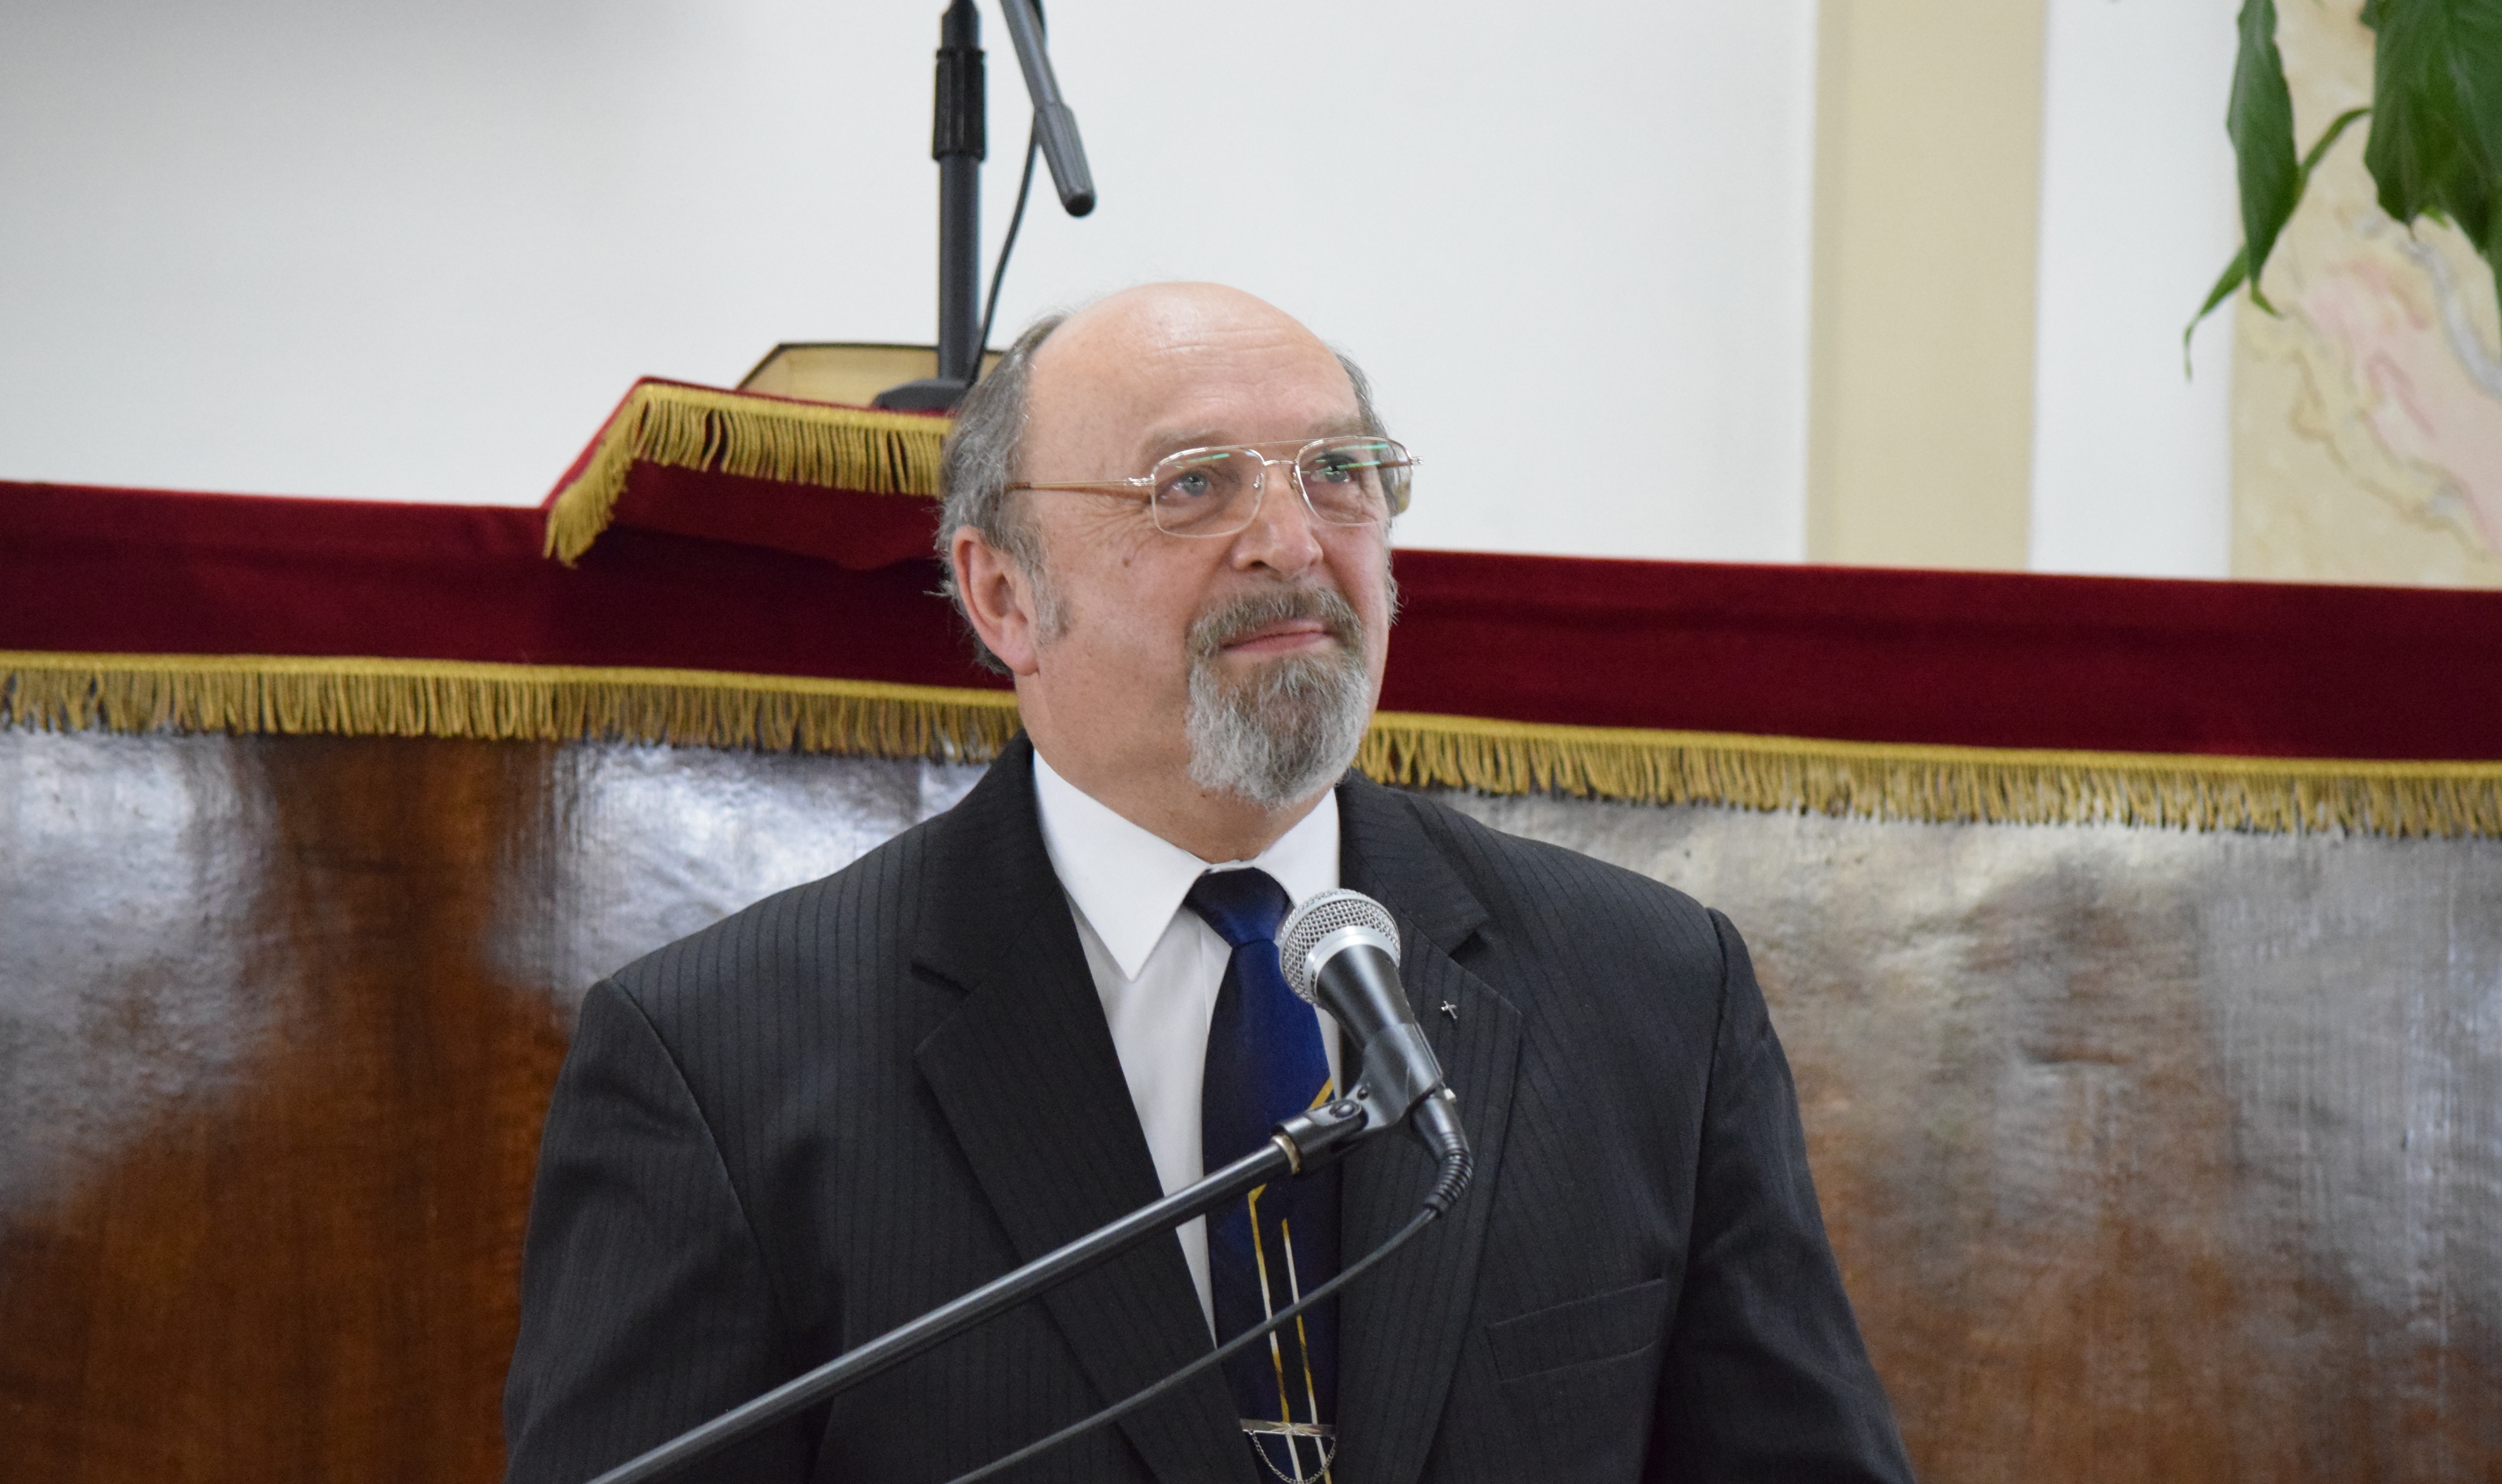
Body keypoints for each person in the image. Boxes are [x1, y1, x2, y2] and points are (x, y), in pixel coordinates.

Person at [503, 283, 1914, 1484]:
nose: (1292, 544)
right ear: (1002, 596)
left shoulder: (1651, 993)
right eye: (1193, 485)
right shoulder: (716, 1064)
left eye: (1339, 473)